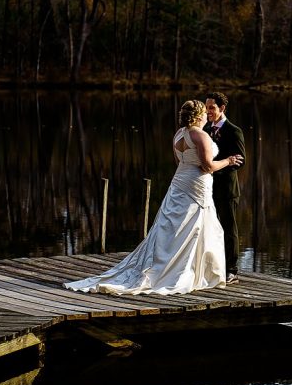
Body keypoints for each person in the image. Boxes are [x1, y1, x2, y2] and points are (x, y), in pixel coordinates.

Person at [64, 99, 244, 295]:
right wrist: (228, 160)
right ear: (199, 115)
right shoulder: (199, 135)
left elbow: (180, 161)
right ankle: (190, 270)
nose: (206, 117)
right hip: (197, 185)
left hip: (179, 182)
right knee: (194, 225)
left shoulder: (178, 135)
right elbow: (207, 166)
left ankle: (170, 264)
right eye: (204, 113)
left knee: (172, 227)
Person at [203, 92, 245, 285]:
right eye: (206, 107)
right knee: (209, 228)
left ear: (222, 109)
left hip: (227, 189)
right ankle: (212, 266)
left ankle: (232, 271)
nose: (208, 111)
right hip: (206, 188)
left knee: (229, 229)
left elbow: (240, 161)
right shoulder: (204, 128)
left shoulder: (233, 131)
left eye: (212, 107)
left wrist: (215, 168)